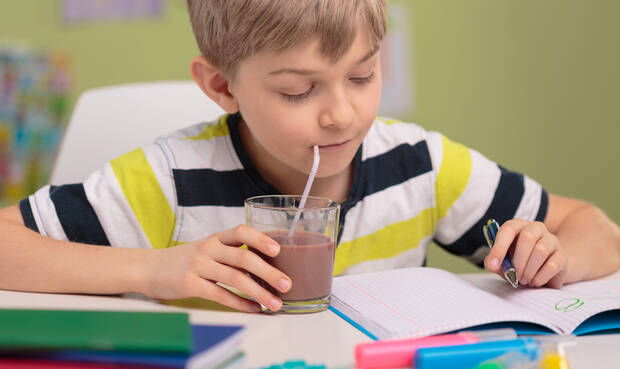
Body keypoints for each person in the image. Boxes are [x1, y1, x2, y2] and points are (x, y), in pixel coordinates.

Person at [1, 0, 619, 314]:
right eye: (298, 90)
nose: (342, 115)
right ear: (222, 87)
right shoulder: (168, 183)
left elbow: (596, 229)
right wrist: (154, 271)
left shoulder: (420, 167)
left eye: (363, 76)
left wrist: (556, 255)